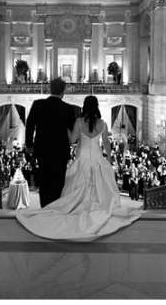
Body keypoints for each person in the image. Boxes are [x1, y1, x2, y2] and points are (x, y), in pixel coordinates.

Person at [16, 95, 141, 241]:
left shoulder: (79, 122)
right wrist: (108, 160)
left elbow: (72, 140)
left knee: (75, 186)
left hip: (82, 159)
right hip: (97, 159)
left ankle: (76, 207)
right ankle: (96, 208)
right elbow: (106, 144)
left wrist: (65, 128)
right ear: (96, 107)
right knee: (100, 188)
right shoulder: (102, 123)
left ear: (84, 106)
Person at [23, 77, 77, 208]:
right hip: (60, 152)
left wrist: (29, 145)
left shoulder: (38, 104)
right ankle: (56, 210)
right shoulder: (68, 109)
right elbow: (73, 131)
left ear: (50, 89)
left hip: (42, 151)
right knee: (58, 182)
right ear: (63, 91)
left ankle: (45, 209)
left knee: (44, 182)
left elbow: (29, 125)